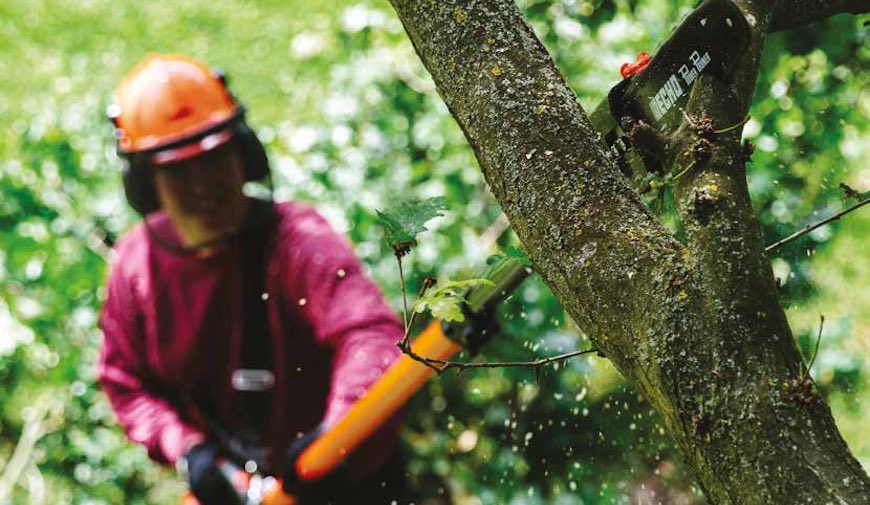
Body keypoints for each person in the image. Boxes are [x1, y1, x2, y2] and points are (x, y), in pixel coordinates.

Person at [98, 54, 407, 504]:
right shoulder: (135, 267)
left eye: (215, 159)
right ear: (145, 185)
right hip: (235, 486)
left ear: (244, 153)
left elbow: (371, 335)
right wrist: (189, 451)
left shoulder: (300, 241)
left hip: (340, 476)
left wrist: (338, 435)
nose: (203, 185)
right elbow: (126, 382)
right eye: (179, 171)